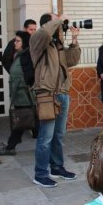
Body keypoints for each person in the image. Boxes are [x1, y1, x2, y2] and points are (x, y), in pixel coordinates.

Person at [30, 13, 81, 187]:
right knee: (46, 137)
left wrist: (74, 40)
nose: (61, 27)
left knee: (58, 135)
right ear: (49, 24)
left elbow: (72, 60)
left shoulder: (58, 45)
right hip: (47, 94)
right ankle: (40, 173)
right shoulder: (38, 41)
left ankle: (57, 167)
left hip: (62, 93)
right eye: (57, 24)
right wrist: (59, 19)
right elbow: (44, 33)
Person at [0, 30, 35, 156]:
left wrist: (23, 86)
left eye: (18, 41)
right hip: (20, 97)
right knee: (23, 122)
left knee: (19, 123)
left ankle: (10, 147)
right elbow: (5, 60)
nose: (15, 43)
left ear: (24, 43)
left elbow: (31, 75)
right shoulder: (19, 55)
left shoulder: (26, 56)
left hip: (25, 97)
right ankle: (12, 145)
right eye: (15, 41)